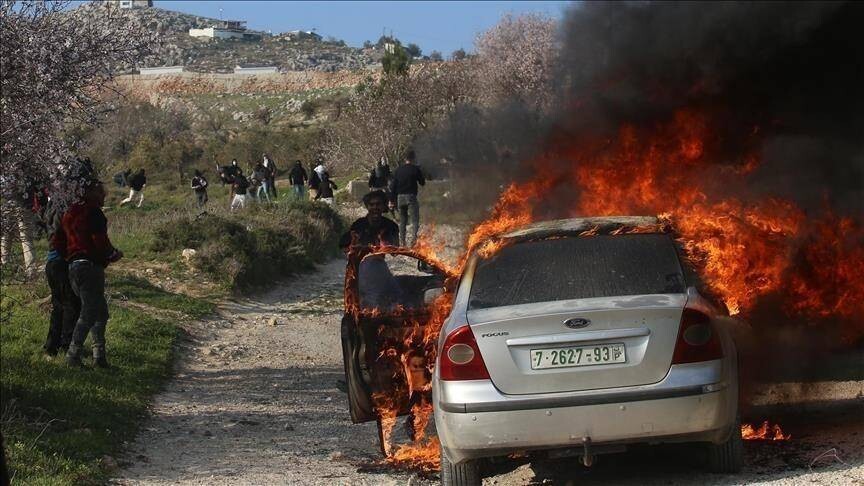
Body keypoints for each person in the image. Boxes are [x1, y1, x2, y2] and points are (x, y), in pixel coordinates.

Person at [63, 180, 123, 368]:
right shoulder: (93, 212)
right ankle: (73, 355)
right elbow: (100, 241)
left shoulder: (70, 212)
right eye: (101, 193)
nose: (104, 196)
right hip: (90, 267)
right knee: (89, 313)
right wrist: (113, 254)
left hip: (73, 266)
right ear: (92, 194)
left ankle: (99, 357)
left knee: (100, 312)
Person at [339, 190, 401, 310]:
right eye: (371, 205)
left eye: (378, 204)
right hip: (360, 268)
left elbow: (395, 251)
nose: (375, 208)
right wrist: (354, 246)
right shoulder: (359, 225)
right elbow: (343, 245)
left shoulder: (390, 226)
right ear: (367, 207)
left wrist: (385, 246)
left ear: (384, 206)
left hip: (379, 267)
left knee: (397, 295)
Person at [42, 197, 81, 355]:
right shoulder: (63, 208)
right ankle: (65, 346)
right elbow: (59, 237)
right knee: (71, 304)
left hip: (54, 261)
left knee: (59, 305)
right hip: (61, 262)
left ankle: (53, 346)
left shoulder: (52, 206)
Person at [389, 149, 425, 246]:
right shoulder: (415, 169)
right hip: (411, 197)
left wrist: (391, 200)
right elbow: (422, 182)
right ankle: (413, 241)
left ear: (405, 159)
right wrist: (420, 172)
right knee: (415, 219)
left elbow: (393, 187)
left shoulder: (398, 170)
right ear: (414, 158)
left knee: (402, 221)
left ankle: (402, 242)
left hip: (400, 198)